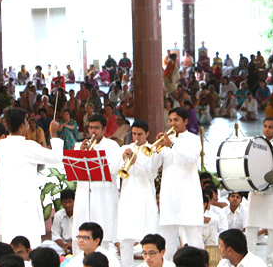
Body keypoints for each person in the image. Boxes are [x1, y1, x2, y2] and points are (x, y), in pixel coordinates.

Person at [0, 108, 63, 244]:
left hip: (8, 206)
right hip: (26, 207)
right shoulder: (29, 146)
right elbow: (56, 157)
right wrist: (53, 133)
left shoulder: (1, 145)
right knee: (29, 247)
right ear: (22, 125)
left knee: (10, 245)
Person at [148, 107, 204, 261]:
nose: (172, 123)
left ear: (185, 121)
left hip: (188, 196)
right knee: (167, 241)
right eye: (170, 120)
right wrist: (156, 149)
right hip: (169, 197)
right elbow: (153, 168)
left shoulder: (193, 139)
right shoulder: (165, 142)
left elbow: (190, 158)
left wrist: (171, 144)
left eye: (176, 120)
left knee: (194, 240)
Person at [73, 114, 121, 251]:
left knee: (103, 231)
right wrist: (81, 153)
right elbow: (74, 171)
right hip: (84, 194)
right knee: (81, 228)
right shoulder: (80, 145)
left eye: (96, 128)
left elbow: (113, 169)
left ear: (104, 129)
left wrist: (95, 156)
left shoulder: (112, 146)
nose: (93, 131)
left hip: (103, 195)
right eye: (90, 128)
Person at [244, 117, 273, 264]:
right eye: (265, 126)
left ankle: (272, 262)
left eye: (270, 127)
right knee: (251, 225)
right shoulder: (255, 144)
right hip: (256, 188)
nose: (267, 129)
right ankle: (249, 260)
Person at [118, 120, 160, 267]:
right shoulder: (125, 148)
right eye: (134, 133)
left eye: (140, 134)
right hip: (127, 197)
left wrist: (137, 162)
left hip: (145, 197)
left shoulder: (153, 150)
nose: (136, 137)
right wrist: (122, 158)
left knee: (148, 236)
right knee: (125, 238)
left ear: (147, 134)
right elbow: (115, 170)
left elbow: (151, 175)